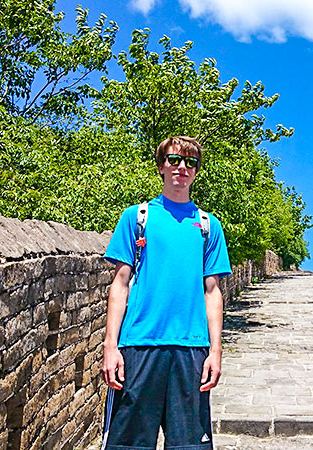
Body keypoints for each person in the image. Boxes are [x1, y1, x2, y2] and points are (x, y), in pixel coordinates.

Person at [100, 136, 231, 450]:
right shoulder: (137, 218)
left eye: (190, 163)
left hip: (191, 349)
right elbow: (119, 284)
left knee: (190, 445)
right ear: (161, 166)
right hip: (139, 346)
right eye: (174, 160)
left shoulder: (207, 225)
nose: (182, 168)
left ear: (197, 171)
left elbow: (212, 292)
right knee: (127, 444)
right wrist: (110, 346)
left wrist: (215, 351)